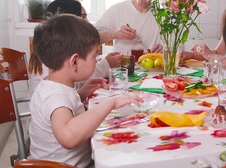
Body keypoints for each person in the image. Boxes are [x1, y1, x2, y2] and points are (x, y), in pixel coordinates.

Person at [29, 14, 143, 167]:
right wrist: (111, 103)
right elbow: (68, 136)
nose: (96, 60)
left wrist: (80, 93)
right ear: (74, 61)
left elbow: (65, 106)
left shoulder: (52, 86)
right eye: (94, 55)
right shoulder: (55, 97)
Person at [28, 0, 123, 89]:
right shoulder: (54, 57)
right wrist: (106, 65)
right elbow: (78, 77)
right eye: (83, 17)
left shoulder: (52, 46)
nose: (88, 22)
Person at [96, 0, 163, 55]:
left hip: (151, 67)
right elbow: (91, 38)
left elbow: (174, 46)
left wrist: (163, 48)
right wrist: (115, 34)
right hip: (121, 66)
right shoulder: (117, 10)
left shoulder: (161, 15)